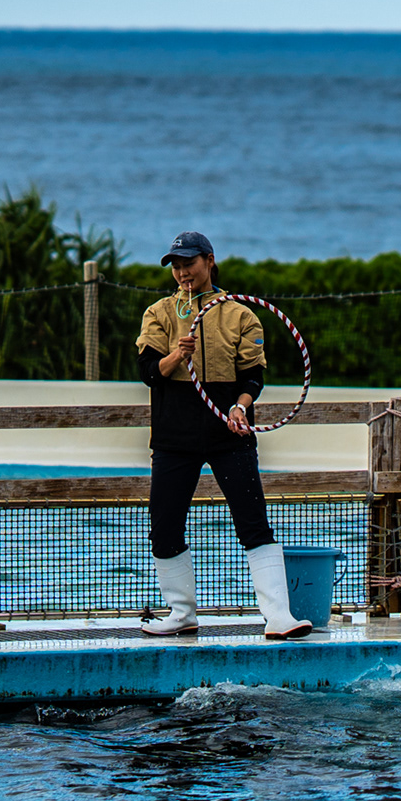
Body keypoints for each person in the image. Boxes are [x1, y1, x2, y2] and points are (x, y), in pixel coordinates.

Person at [135, 231, 310, 640]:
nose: (183, 273)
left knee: (254, 522)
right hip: (174, 435)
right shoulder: (159, 313)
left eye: (190, 264)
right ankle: (181, 613)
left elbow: (253, 376)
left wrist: (240, 406)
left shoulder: (240, 315)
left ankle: (279, 616)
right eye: (177, 266)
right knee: (165, 525)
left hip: (229, 432)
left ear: (209, 261)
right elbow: (148, 373)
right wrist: (178, 355)